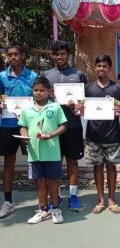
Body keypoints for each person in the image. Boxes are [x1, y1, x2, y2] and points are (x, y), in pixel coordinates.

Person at [44, 40, 87, 210]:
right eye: (56, 54)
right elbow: (40, 98)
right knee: (55, 162)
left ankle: (73, 195)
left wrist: (78, 105)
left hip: (73, 125)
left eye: (63, 53)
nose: (59, 57)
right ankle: (57, 196)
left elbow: (84, 101)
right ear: (52, 55)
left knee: (72, 162)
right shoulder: (46, 75)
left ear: (68, 55)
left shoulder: (78, 74)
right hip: (53, 127)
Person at [18, 76, 67, 224]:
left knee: (53, 181)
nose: (38, 93)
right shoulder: (27, 109)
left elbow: (63, 126)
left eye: (41, 90)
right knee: (40, 181)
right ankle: (43, 210)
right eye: (35, 90)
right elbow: (23, 126)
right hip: (34, 152)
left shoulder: (55, 107)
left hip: (52, 151)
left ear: (49, 92)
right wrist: (24, 136)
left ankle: (56, 209)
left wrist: (52, 134)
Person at [82, 55, 120, 214]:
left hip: (112, 135)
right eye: (99, 65)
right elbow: (82, 108)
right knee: (97, 167)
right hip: (93, 135)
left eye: (104, 66)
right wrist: (78, 108)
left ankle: (112, 199)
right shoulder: (88, 88)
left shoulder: (117, 88)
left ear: (110, 68)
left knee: (111, 167)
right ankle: (101, 200)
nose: (101, 68)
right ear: (95, 68)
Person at [0, 42, 37, 219]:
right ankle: (8, 202)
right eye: (10, 55)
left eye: (16, 54)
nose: (13, 57)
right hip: (7, 124)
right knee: (9, 162)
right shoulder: (1, 76)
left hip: (29, 125)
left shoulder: (33, 75)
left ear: (23, 55)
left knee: (36, 161)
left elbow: (38, 98)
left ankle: (42, 202)